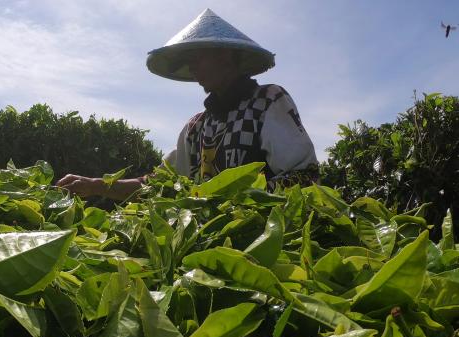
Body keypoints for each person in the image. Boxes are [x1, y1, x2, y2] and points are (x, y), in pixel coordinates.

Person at [57, 8, 318, 200]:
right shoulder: (196, 127)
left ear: (225, 54)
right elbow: (158, 184)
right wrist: (96, 185)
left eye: (197, 57)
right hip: (209, 240)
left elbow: (304, 178)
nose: (191, 68)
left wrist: (234, 199)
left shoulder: (268, 101)